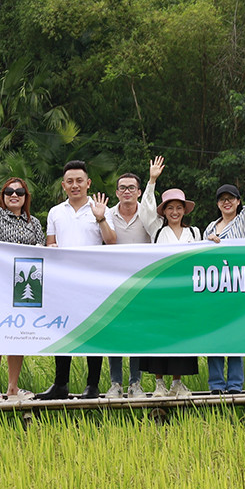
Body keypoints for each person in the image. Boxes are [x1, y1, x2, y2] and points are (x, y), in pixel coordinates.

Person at [38, 160, 114, 401]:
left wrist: (100, 218)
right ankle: (60, 383)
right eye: (69, 181)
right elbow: (51, 242)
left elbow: (111, 242)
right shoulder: (55, 212)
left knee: (93, 331)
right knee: (62, 330)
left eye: (79, 180)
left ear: (88, 183)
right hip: (62, 282)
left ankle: (92, 385)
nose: (75, 185)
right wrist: (52, 246)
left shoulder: (100, 208)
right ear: (63, 185)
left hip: (92, 281)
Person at [0, 149, 46, 400]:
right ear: (3, 197)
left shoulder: (34, 222)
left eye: (19, 192)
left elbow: (42, 255)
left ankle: (12, 386)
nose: (14, 195)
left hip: (23, 286)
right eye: (9, 192)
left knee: (18, 334)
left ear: (26, 197)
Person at [199, 149, 245, 394]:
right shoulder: (210, 226)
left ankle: (235, 386)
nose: (226, 202)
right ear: (218, 203)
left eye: (231, 198)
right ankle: (217, 385)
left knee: (236, 337)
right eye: (222, 199)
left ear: (238, 202)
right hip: (213, 289)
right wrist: (208, 241)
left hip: (238, 287)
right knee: (215, 337)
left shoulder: (244, 220)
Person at [102, 156, 165, 399]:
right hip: (114, 283)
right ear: (116, 192)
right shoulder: (106, 215)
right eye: (122, 188)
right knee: (114, 332)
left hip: (142, 284)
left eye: (131, 187)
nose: (127, 191)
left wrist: (152, 179)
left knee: (137, 333)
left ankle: (135, 383)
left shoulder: (150, 216)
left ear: (138, 191)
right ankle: (115, 383)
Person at [141, 189, 201, 397]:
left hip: (184, 295)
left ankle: (177, 383)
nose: (174, 212)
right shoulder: (157, 230)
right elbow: (145, 208)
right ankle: (159, 384)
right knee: (159, 337)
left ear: (184, 210)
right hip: (161, 294)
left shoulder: (194, 233)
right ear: (164, 211)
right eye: (170, 208)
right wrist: (151, 182)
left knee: (181, 338)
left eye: (178, 208)